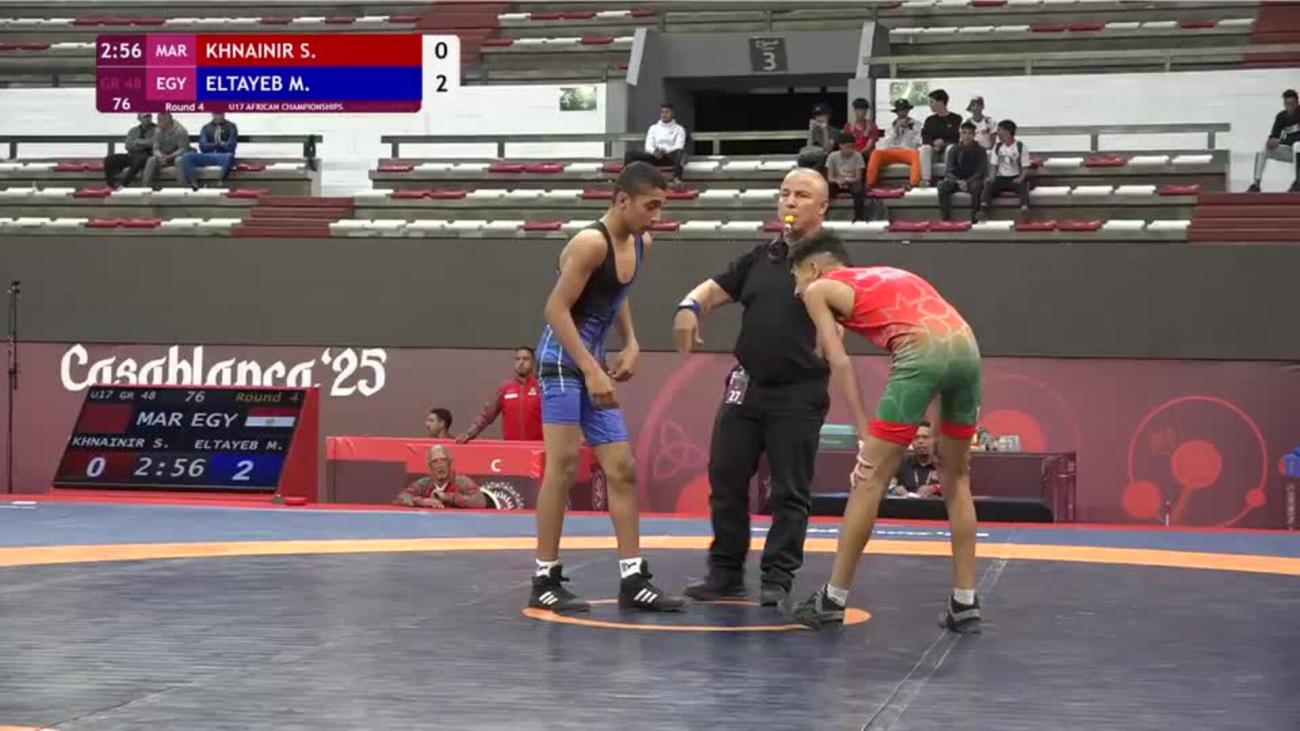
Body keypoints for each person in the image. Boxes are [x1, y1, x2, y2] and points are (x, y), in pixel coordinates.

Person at [784, 233, 983, 634]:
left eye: (796, 279)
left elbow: (839, 362)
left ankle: (831, 600)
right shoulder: (891, 273)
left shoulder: (819, 289)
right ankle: (965, 603)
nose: (796, 291)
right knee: (957, 478)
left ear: (814, 269)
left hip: (921, 355)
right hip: (967, 351)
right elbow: (934, 329)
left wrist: (862, 433)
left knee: (868, 480)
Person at [672, 168, 833, 608]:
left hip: (799, 391)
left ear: (822, 207)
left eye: (802, 196)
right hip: (746, 385)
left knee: (789, 489)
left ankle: (777, 577)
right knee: (725, 476)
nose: (790, 202)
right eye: (785, 193)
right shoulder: (761, 257)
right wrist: (688, 306)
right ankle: (725, 573)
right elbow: (711, 290)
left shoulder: (832, 263)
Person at [528, 161, 684, 614]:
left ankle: (633, 579)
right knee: (562, 467)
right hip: (561, 362)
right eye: (651, 206)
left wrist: (631, 341)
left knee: (622, 469)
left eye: (661, 206)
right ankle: (544, 578)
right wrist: (591, 369)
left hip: (590, 362)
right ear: (621, 200)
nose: (657, 216)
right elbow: (555, 310)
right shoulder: (590, 243)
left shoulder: (640, 242)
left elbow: (617, 293)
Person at [456, 347, 543, 443]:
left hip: (537, 446)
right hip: (512, 447)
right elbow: (486, 415)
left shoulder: (542, 387)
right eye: (518, 359)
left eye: (526, 359)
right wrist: (469, 433)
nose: (521, 362)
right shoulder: (505, 388)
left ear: (533, 363)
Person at [393, 444, 488, 509]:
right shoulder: (424, 484)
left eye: (443, 460)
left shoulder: (463, 482)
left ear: (450, 463)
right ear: (430, 466)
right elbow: (401, 497)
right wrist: (422, 501)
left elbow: (480, 502)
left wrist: (448, 497)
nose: (440, 465)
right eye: (435, 461)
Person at [1247, 88, 1299, 193]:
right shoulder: (1281, 116)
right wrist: (1270, 142)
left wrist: (1281, 141)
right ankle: (1256, 184)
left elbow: (1293, 139)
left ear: (1297, 103)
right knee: (1263, 149)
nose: (1290, 107)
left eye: (1292, 104)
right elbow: (1274, 136)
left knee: (1297, 145)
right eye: (1287, 104)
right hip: (1290, 152)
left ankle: (1298, 182)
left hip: (1298, 149)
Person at [625, 103, 686, 188]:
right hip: (654, 156)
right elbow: (648, 146)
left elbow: (679, 146)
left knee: (680, 153)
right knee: (629, 154)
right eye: (662, 112)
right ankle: (628, 180)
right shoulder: (653, 128)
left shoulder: (679, 129)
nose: (664, 114)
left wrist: (664, 150)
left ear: (672, 113)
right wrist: (654, 152)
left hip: (669, 157)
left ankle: (676, 180)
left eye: (667, 112)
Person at [937, 121, 989, 222]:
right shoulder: (954, 149)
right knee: (942, 186)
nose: (967, 136)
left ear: (974, 135)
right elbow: (949, 171)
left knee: (977, 186)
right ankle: (946, 219)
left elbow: (980, 171)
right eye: (964, 133)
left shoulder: (981, 150)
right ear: (961, 134)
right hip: (956, 180)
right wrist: (958, 182)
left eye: (970, 133)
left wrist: (967, 182)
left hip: (973, 180)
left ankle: (974, 219)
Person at [983, 119, 1030, 217]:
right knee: (989, 184)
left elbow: (1025, 166)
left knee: (1023, 185)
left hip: (1015, 177)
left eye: (1000, 130)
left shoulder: (1020, 146)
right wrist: (992, 177)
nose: (998, 133)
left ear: (1008, 132)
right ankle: (984, 206)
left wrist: (1020, 178)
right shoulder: (997, 146)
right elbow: (993, 165)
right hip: (1001, 178)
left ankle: (1024, 208)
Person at [179, 112, 238, 189]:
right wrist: (217, 144)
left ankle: (220, 181)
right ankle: (194, 183)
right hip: (208, 156)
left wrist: (218, 145)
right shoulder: (206, 128)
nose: (219, 116)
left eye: (221, 114)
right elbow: (203, 146)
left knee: (229, 156)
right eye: (217, 114)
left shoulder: (231, 127)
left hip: (223, 156)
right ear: (212, 114)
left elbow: (231, 146)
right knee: (187, 157)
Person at [103, 113, 155, 189]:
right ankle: (110, 185)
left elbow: (152, 143)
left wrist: (137, 142)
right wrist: (143, 144)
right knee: (109, 159)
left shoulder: (156, 129)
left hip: (146, 156)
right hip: (131, 155)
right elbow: (128, 145)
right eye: (145, 117)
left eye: (149, 116)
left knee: (138, 160)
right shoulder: (133, 130)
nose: (148, 119)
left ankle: (124, 185)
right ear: (139, 119)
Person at [826, 131, 868, 222]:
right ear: (840, 146)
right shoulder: (832, 156)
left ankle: (859, 216)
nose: (850, 149)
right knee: (826, 189)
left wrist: (847, 180)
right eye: (847, 147)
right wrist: (838, 181)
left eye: (852, 147)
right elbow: (830, 177)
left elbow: (858, 177)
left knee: (859, 189)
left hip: (852, 181)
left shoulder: (858, 156)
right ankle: (823, 214)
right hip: (837, 182)